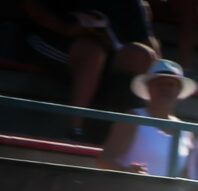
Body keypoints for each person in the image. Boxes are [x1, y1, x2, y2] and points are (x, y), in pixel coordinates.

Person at [21, 0, 158, 139]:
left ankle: (131, 134)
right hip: (51, 40)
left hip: (106, 53)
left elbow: (148, 44)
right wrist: (65, 28)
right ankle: (74, 131)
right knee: (93, 51)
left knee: (141, 55)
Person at [98, 59, 196, 176]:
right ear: (149, 88)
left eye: (170, 84)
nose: (165, 89)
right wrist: (126, 172)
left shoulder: (186, 131)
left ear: (178, 90)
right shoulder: (133, 118)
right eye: (159, 84)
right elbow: (105, 159)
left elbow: (187, 176)